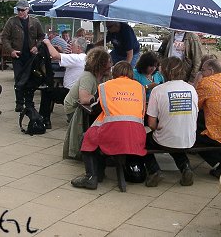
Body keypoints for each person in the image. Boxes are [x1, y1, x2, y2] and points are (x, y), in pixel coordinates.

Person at [71, 61, 147, 190]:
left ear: (114, 72)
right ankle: (100, 173)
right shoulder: (140, 88)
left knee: (88, 137)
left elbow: (95, 108)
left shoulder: (106, 86)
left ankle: (91, 177)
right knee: (97, 135)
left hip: (113, 132)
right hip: (137, 135)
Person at [144, 57, 198, 187]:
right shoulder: (191, 89)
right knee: (174, 140)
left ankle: (154, 170)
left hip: (167, 138)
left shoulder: (158, 90)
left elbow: (151, 124)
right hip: (189, 138)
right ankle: (186, 168)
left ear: (165, 71)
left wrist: (160, 129)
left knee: (142, 141)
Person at [63, 47, 112, 159]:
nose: (110, 65)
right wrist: (99, 98)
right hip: (74, 109)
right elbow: (84, 99)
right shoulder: (88, 76)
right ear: (101, 63)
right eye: (108, 62)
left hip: (90, 108)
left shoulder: (105, 77)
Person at [1, 0, 45, 112]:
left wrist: (37, 46)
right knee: (19, 79)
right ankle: (19, 103)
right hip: (18, 55)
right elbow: (4, 37)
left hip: (31, 56)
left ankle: (29, 101)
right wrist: (11, 50)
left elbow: (41, 36)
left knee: (31, 78)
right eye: (18, 10)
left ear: (27, 10)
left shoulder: (35, 22)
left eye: (22, 10)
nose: (20, 12)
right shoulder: (12, 21)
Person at [39, 37, 87, 129]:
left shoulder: (77, 58)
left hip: (71, 93)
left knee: (46, 92)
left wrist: (48, 43)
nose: (70, 47)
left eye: (72, 45)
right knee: (53, 90)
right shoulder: (85, 58)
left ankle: (45, 120)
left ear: (78, 48)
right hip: (79, 91)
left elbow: (55, 55)